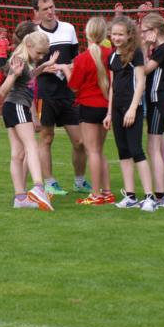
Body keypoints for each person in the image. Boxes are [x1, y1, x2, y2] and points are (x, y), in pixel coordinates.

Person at [32, 0, 89, 196]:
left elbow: (76, 60)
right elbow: (28, 68)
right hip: (44, 94)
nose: (50, 11)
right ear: (36, 12)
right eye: (45, 9)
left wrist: (67, 67)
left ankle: (80, 182)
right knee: (46, 138)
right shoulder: (33, 34)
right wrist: (43, 69)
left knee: (80, 141)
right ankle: (50, 182)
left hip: (68, 93)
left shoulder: (68, 29)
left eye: (52, 7)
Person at [0, 31, 59, 211]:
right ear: (29, 45)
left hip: (13, 107)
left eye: (43, 54)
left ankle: (20, 198)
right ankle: (39, 187)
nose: (40, 57)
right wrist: (13, 75)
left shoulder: (26, 61)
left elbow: (29, 75)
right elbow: (2, 91)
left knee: (18, 154)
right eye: (39, 53)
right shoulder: (19, 60)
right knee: (31, 146)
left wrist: (45, 65)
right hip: (16, 105)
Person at [103, 16, 157, 212]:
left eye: (120, 34)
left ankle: (150, 197)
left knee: (136, 151)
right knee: (123, 152)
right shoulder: (111, 57)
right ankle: (130, 196)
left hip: (132, 108)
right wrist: (109, 113)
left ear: (129, 35)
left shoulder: (136, 54)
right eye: (114, 34)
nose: (117, 37)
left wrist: (133, 108)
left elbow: (141, 82)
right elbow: (112, 87)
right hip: (117, 109)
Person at [64, 17, 114, 205]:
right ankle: (107, 192)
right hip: (106, 106)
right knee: (99, 151)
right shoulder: (111, 55)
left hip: (89, 106)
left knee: (92, 151)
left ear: (87, 34)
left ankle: (95, 194)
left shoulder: (82, 58)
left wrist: (66, 69)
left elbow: (73, 86)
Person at [141, 13, 164, 207]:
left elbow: (143, 70)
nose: (142, 35)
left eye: (144, 31)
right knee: (161, 149)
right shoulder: (161, 49)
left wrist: (145, 46)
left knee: (153, 149)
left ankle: (161, 195)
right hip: (158, 101)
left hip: (157, 101)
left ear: (154, 31)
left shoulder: (162, 50)